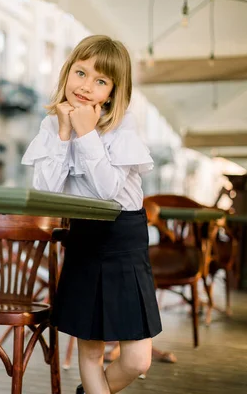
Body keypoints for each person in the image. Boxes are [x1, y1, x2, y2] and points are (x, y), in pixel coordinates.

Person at [21, 35, 162, 394]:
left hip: (124, 243)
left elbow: (108, 192)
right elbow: (47, 196)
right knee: (91, 350)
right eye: (81, 73)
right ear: (67, 72)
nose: (86, 86)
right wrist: (65, 133)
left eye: (100, 81)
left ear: (113, 92)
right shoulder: (52, 124)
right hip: (84, 238)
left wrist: (86, 134)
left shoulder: (122, 127)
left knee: (136, 359)